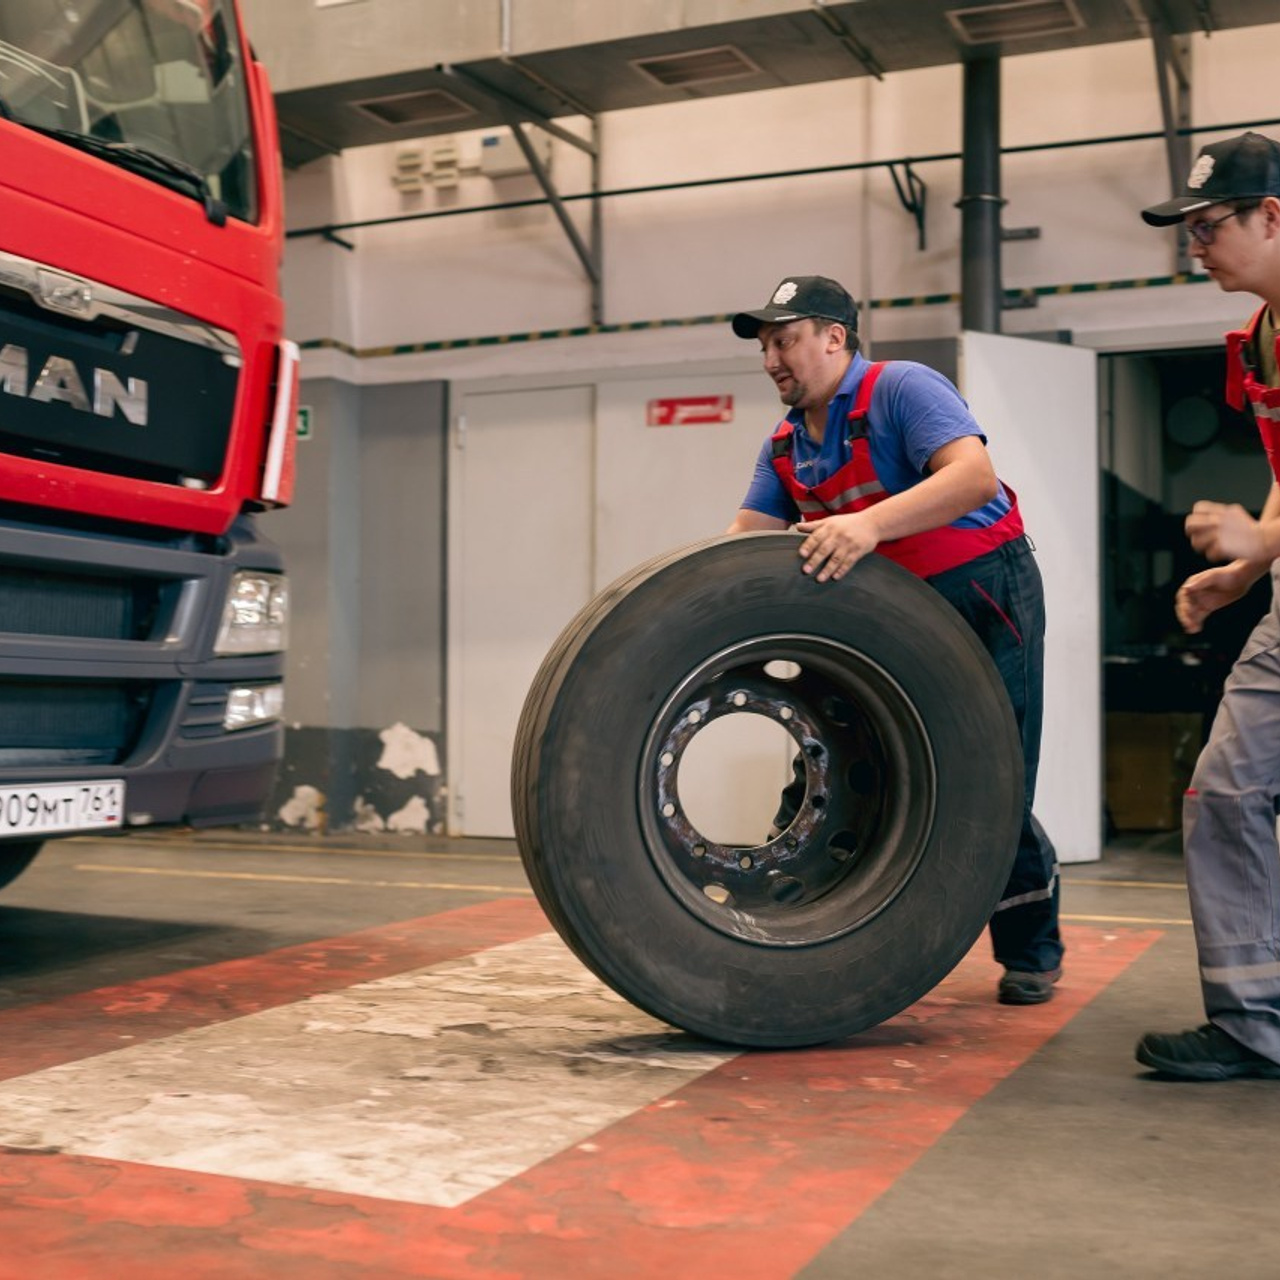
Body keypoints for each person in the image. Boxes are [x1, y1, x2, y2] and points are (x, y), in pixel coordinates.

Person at [726, 274, 1064, 1004]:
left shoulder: (903, 389)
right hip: (881, 620)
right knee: (835, 769)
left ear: (835, 338)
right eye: (763, 347)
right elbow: (738, 548)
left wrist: (870, 524)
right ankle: (797, 930)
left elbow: (973, 478)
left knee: (989, 780)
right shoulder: (784, 446)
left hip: (983, 594)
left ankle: (1032, 949)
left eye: (783, 340)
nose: (771, 360)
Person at [1135, 131, 1280, 1080]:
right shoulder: (1267, 331)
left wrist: (1258, 544)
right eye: (1187, 227)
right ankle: (1252, 1024)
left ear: (1273, 216)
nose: (1196, 242)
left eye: (1210, 223)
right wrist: (1246, 570)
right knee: (1225, 790)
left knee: (1231, 789)